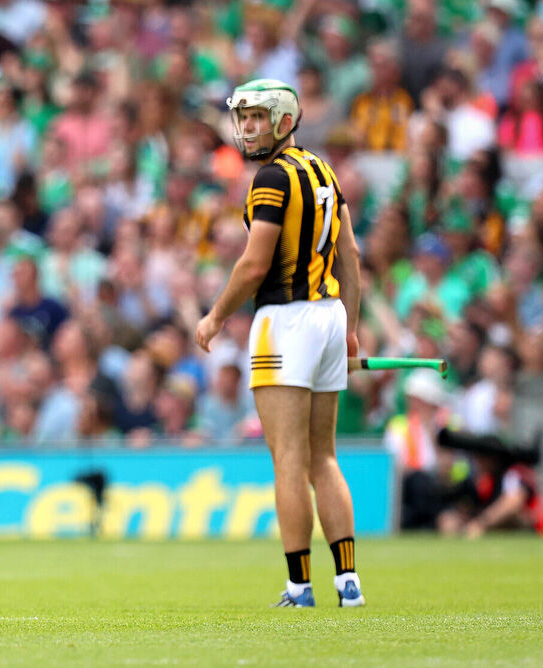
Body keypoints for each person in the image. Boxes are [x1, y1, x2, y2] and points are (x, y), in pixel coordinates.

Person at [195, 79, 365, 608]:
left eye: (257, 118)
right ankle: (349, 583)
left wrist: (216, 316)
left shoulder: (270, 178)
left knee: (288, 459)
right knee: (324, 458)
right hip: (330, 316)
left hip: (286, 322)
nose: (247, 128)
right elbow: (351, 257)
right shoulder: (324, 171)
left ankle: (299, 587)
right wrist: (352, 328)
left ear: (285, 121)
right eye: (242, 119)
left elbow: (253, 263)